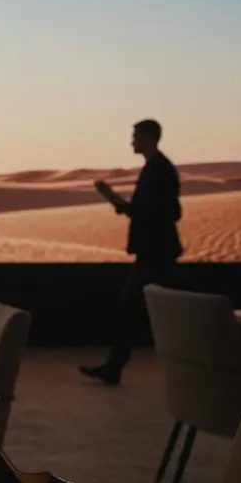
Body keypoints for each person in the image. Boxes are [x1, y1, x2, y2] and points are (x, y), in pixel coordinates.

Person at [79, 119, 182, 385]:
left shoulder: (159, 169)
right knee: (136, 310)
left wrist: (116, 200)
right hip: (153, 252)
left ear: (149, 137)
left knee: (140, 309)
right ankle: (114, 367)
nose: (132, 141)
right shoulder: (155, 167)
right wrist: (118, 202)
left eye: (136, 136)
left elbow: (168, 212)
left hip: (156, 253)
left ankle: (116, 367)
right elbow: (150, 210)